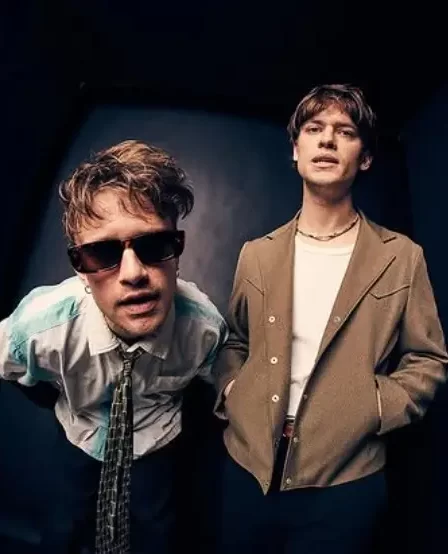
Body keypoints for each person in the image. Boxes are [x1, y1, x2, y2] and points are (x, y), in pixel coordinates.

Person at [213, 84, 448, 554]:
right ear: (295, 150)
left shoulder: (402, 257)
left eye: (345, 132)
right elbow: (234, 341)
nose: (326, 140)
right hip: (247, 472)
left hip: (346, 484)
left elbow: (428, 358)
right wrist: (233, 391)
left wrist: (374, 406)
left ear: (365, 158)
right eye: (314, 129)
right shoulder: (256, 255)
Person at [0, 140, 227, 554]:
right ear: (79, 268)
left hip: (157, 441)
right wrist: (63, 399)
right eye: (102, 253)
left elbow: (213, 387)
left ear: (177, 251)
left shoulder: (205, 330)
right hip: (81, 435)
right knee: (64, 526)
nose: (133, 273)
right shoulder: (38, 328)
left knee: (158, 530)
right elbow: (10, 366)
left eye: (154, 245)